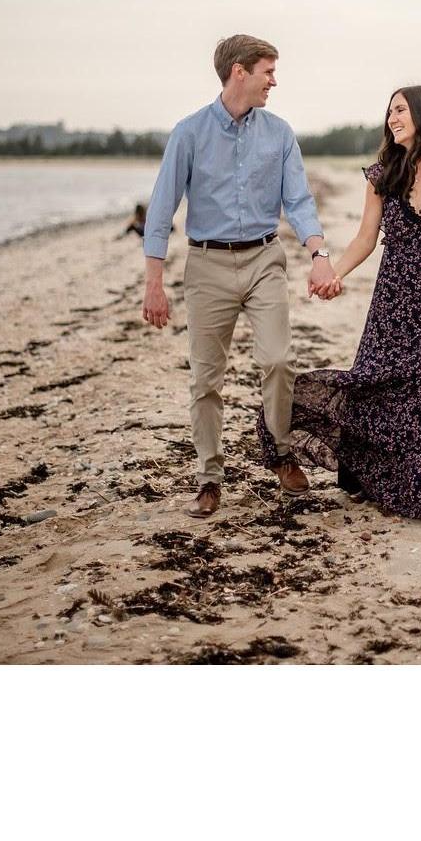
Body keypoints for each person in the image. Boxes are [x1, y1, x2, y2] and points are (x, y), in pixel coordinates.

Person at [257, 85, 421, 523]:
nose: (392, 119)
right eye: (389, 112)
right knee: (375, 383)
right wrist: (334, 272)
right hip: (393, 299)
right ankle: (369, 477)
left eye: (399, 110)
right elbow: (366, 237)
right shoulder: (383, 173)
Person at [141, 35, 338, 518]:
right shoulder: (188, 133)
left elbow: (299, 201)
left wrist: (318, 254)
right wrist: (154, 282)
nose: (275, 80)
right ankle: (209, 478)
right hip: (206, 266)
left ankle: (282, 452)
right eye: (268, 71)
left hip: (264, 260)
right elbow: (162, 207)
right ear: (239, 72)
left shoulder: (279, 132)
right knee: (206, 379)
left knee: (277, 360)